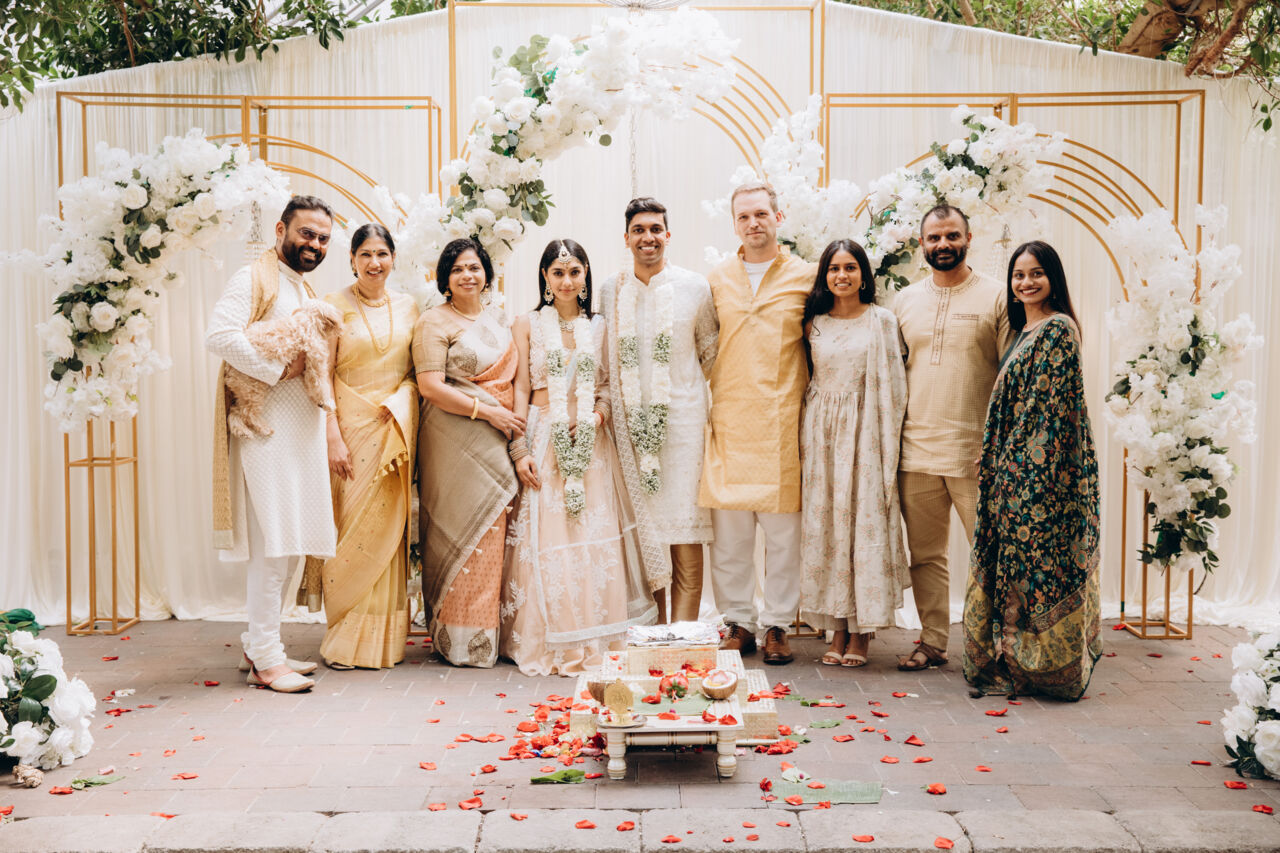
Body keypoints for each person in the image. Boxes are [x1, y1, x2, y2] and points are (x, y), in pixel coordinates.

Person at [500, 240, 656, 676]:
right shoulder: (527, 324)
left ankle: (594, 636)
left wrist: (594, 418)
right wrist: (519, 448)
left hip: (590, 444)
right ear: (545, 278)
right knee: (548, 538)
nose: (566, 281)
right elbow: (520, 388)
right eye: (558, 272)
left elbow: (606, 388)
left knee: (591, 534)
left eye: (574, 272)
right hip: (543, 436)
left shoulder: (600, 326)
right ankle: (552, 639)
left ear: (586, 274)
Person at [207, 195, 337, 693]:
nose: (314, 244)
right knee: (272, 548)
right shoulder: (252, 278)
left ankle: (260, 645)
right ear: (281, 230)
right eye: (306, 233)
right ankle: (265, 659)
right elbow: (219, 336)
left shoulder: (302, 287)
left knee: (287, 547)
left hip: (298, 437)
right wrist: (276, 370)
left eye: (323, 238)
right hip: (265, 434)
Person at [963, 241, 1101, 700]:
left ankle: (1044, 668)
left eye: (1036, 273)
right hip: (1013, 470)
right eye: (1019, 275)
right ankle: (1015, 661)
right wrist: (994, 454)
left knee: (1041, 565)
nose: (1026, 282)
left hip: (1042, 474)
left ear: (1053, 279)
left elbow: (1047, 411)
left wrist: (1013, 462)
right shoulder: (1024, 331)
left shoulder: (1058, 329)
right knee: (1016, 563)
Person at [892, 204, 1012, 672]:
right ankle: (934, 641)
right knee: (925, 555)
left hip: (974, 453)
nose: (943, 245)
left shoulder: (997, 296)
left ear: (968, 238)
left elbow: (1009, 377)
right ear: (921, 244)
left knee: (993, 555)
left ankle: (999, 646)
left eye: (952, 236)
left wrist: (997, 448)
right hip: (916, 451)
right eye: (934, 238)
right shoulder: (904, 301)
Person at [699, 181, 815, 665]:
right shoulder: (717, 279)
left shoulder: (806, 276)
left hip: (782, 421)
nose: (753, 223)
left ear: (778, 217)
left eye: (761, 214)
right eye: (744, 216)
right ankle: (739, 622)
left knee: (784, 537)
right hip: (730, 418)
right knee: (731, 536)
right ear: (734, 224)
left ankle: (779, 625)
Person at [297, 223, 419, 669]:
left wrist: (401, 402)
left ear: (393, 259)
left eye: (382, 254)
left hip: (393, 433)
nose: (374, 263)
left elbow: (415, 374)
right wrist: (331, 435)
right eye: (365, 254)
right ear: (351, 259)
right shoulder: (333, 306)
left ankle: (382, 642)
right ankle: (344, 637)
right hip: (348, 433)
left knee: (388, 532)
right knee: (350, 531)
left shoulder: (409, 307)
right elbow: (321, 373)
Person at [601, 198, 718, 623]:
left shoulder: (695, 287)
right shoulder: (610, 291)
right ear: (626, 238)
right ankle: (653, 630)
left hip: (684, 425)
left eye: (655, 229)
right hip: (630, 429)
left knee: (684, 528)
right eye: (639, 230)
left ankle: (683, 632)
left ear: (668, 235)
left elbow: (711, 355)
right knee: (644, 533)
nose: (647, 237)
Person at [413, 238, 522, 668]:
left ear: (487, 274)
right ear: (445, 278)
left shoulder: (499, 321)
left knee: (493, 532)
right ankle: (455, 640)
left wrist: (502, 418)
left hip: (497, 439)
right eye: (457, 268)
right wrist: (486, 411)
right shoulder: (433, 322)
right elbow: (430, 386)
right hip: (451, 443)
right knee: (456, 531)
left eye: (474, 267)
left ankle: (485, 636)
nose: (467, 275)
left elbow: (511, 381)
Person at [799, 239, 909, 667]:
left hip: (866, 431)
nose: (841, 275)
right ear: (824, 275)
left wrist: (883, 441)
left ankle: (863, 631)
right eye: (833, 268)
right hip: (822, 435)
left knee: (863, 524)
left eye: (850, 267)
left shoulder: (882, 320)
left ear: (864, 274)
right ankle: (838, 627)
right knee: (829, 526)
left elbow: (895, 384)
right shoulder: (814, 323)